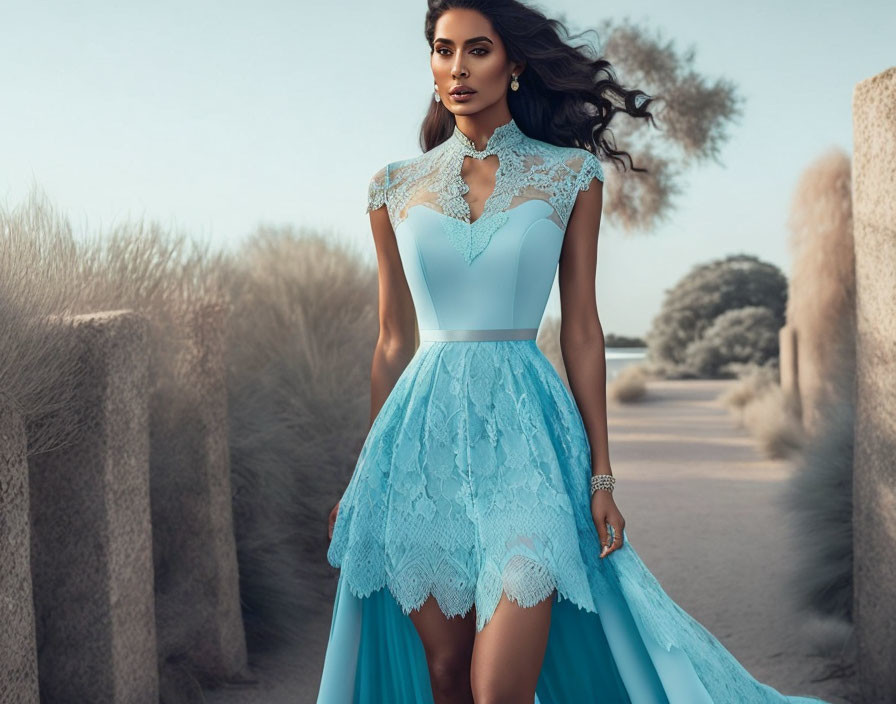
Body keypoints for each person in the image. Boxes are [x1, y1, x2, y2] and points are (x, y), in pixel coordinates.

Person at [317, 2, 831, 702]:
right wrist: (365, 478)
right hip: (417, 449)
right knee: (444, 672)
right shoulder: (392, 188)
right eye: (443, 50)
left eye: (478, 50)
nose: (458, 68)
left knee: (497, 687)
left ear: (516, 63)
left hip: (528, 442)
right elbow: (392, 341)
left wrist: (603, 478)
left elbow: (583, 328)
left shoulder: (570, 176)